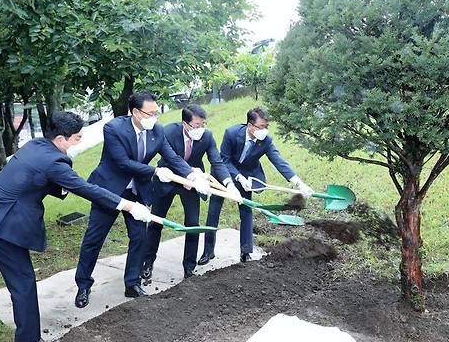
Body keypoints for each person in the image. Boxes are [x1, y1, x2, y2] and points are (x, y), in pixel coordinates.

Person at [0, 111, 152, 342]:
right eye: (77, 137)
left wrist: (61, 188)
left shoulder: (35, 146)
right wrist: (129, 205)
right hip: (3, 224)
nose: (80, 141)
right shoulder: (54, 161)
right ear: (61, 138)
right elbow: (86, 188)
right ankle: (27, 339)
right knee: (23, 280)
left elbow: (34, 177)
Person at [74, 90, 210, 308]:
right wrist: (155, 171)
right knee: (94, 238)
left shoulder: (156, 129)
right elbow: (122, 162)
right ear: (136, 112)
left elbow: (171, 156)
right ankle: (83, 285)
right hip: (109, 189)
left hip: (136, 190)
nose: (154, 118)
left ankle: (132, 283)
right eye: (150, 113)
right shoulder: (113, 128)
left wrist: (192, 175)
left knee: (139, 237)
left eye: (156, 112)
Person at [198, 107, 314, 264]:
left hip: (248, 178)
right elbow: (224, 159)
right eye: (261, 127)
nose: (264, 130)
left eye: (267, 126)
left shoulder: (266, 140)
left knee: (246, 212)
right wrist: (237, 178)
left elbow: (279, 161)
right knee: (213, 212)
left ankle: (245, 252)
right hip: (224, 175)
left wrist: (299, 183)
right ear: (250, 125)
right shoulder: (231, 133)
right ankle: (208, 251)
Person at [141, 104, 242, 280]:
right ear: (185, 124)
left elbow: (217, 161)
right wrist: (190, 175)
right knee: (156, 221)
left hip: (194, 184)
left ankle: (189, 268)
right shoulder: (168, 132)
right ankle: (147, 263)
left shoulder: (207, 135)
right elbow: (172, 159)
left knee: (193, 224)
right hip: (168, 178)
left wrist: (229, 184)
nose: (201, 129)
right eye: (197, 125)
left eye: (203, 124)